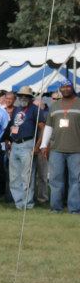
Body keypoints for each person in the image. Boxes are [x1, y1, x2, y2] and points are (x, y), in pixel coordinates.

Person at [40, 82, 80, 213]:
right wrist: (44, 144)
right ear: (60, 89)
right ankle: (55, 208)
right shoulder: (54, 105)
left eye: (68, 86)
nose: (65, 89)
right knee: (56, 179)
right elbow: (48, 126)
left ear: (73, 88)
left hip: (77, 150)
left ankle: (74, 209)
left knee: (76, 180)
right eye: (63, 87)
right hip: (56, 149)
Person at [5, 87, 43, 210]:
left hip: (28, 144)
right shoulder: (17, 110)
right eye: (21, 95)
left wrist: (37, 146)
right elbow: (12, 126)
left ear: (30, 98)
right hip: (15, 145)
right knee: (14, 176)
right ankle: (19, 203)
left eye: (26, 96)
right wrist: (9, 140)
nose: (23, 98)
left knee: (27, 176)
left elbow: (43, 128)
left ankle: (28, 204)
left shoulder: (35, 109)